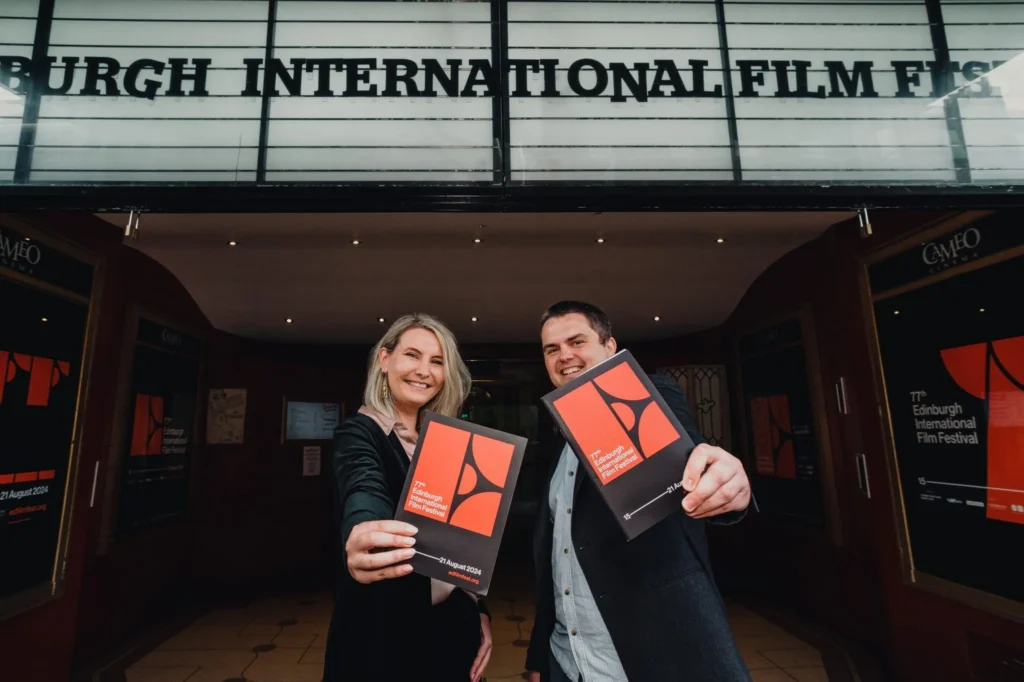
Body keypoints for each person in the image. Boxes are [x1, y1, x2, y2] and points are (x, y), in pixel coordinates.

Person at [526, 301, 754, 682]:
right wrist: (540, 654)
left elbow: (693, 459)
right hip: (569, 662)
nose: (564, 355)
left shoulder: (648, 397)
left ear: (610, 347)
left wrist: (729, 487)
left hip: (648, 658)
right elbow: (557, 556)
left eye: (576, 341)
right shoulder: (557, 445)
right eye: (552, 349)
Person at [323, 313, 493, 682]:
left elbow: (463, 545)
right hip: (384, 639)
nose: (424, 371)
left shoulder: (444, 442)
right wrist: (363, 533)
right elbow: (362, 488)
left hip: (452, 630)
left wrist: (479, 609)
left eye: (437, 362)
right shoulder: (360, 432)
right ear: (385, 360)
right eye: (412, 355)